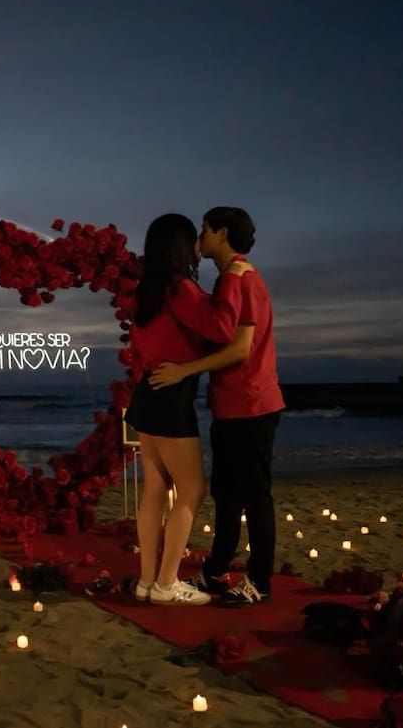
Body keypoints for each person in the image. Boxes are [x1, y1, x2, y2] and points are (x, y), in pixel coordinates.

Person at [150, 206, 284, 607]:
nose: (200, 238)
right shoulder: (230, 279)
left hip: (252, 402)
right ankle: (216, 569)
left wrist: (183, 371)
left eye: (205, 230)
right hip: (231, 404)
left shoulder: (241, 278)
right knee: (227, 492)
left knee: (255, 494)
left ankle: (259, 581)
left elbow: (240, 348)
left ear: (222, 234)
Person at [124, 213, 252, 606]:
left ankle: (147, 581)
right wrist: (232, 278)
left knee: (156, 487)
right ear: (180, 245)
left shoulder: (146, 291)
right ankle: (165, 583)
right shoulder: (180, 289)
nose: (199, 240)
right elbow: (221, 328)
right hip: (172, 395)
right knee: (192, 489)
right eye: (192, 236)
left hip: (148, 392)